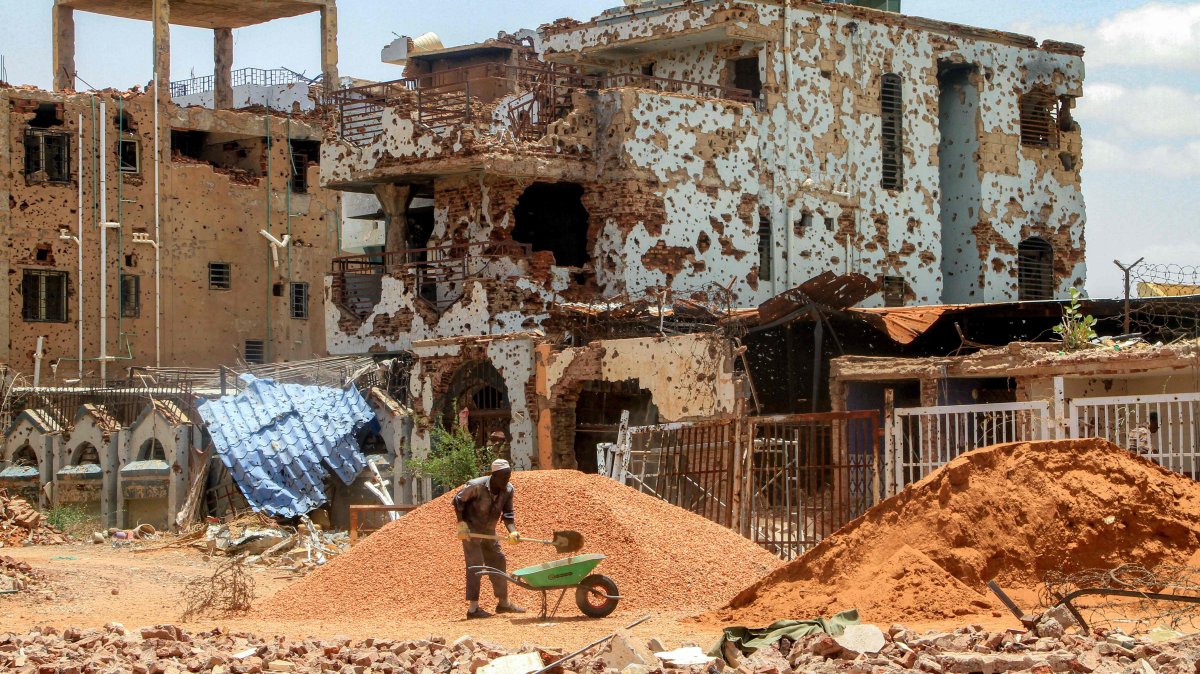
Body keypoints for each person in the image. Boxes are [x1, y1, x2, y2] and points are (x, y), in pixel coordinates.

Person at [453, 458, 527, 619]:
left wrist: (512, 532)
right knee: (476, 565)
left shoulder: (508, 489)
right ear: (494, 475)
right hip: (471, 531)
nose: (507, 479)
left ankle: (503, 603)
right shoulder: (476, 486)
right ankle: (473, 609)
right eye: (503, 476)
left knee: (499, 560)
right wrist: (461, 524)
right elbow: (457, 500)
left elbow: (508, 514)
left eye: (509, 476)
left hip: (489, 531)